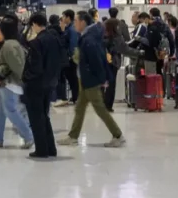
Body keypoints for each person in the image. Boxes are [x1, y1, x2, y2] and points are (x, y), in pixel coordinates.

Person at [58, 12, 126, 148]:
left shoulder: (89, 39)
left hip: (90, 79)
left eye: (76, 20)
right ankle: (73, 136)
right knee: (80, 107)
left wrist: (101, 78)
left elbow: (96, 60)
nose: (75, 23)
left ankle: (117, 135)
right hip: (85, 77)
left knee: (100, 108)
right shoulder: (88, 36)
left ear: (83, 22)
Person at [0, 18, 35, 150]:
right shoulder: (11, 43)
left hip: (9, 84)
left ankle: (28, 136)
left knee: (11, 111)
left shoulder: (9, 46)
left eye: (0, 29)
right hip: (4, 84)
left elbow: (17, 67)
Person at [22, 12, 63, 160]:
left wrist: (26, 77)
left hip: (36, 85)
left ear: (34, 24)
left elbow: (35, 67)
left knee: (36, 117)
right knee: (45, 116)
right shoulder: (55, 39)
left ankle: (41, 149)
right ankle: (50, 148)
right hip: (51, 83)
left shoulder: (37, 42)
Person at [103, 17, 140, 110]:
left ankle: (102, 104)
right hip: (113, 63)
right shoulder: (117, 37)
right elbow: (125, 50)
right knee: (111, 84)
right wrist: (139, 53)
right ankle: (108, 105)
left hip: (103, 62)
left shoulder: (102, 36)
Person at [56, 10, 81, 107]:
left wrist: (71, 56)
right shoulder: (68, 28)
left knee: (73, 78)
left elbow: (73, 44)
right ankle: (75, 97)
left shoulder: (72, 29)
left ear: (68, 17)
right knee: (71, 78)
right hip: (69, 57)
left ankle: (77, 98)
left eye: (63, 17)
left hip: (71, 58)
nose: (62, 19)